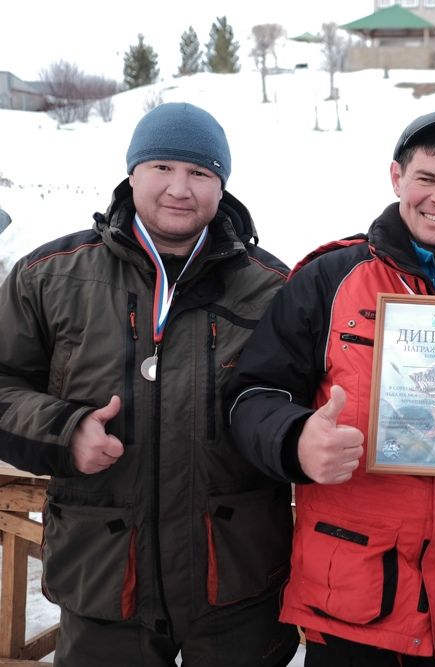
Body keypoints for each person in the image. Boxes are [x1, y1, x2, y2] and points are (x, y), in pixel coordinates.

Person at [225, 110, 435, 666]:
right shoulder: (329, 280)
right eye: (426, 179)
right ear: (396, 177)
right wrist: (295, 438)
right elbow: (250, 396)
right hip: (355, 596)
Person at [0, 102, 299, 666]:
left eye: (201, 173)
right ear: (132, 172)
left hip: (234, 577)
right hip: (104, 576)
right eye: (162, 167)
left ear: (222, 184)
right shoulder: (52, 276)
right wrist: (65, 431)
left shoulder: (274, 288)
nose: (179, 189)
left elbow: (299, 404)